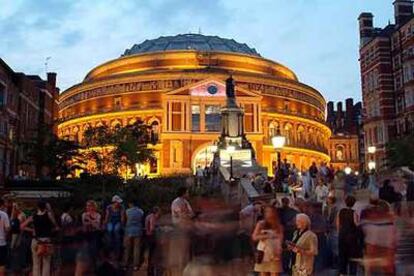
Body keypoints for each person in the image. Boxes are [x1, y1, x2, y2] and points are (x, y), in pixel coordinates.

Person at [21, 201, 58, 276]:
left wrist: (32, 230)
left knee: (36, 264)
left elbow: (22, 226)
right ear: (45, 207)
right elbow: (56, 226)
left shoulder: (33, 216)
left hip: (36, 241)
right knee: (46, 263)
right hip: (46, 241)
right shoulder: (49, 215)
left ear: (37, 207)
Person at [252, 205, 283, 276]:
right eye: (267, 211)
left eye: (271, 211)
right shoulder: (261, 224)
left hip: (274, 254)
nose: (269, 213)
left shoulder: (278, 225)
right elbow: (254, 237)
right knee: (263, 273)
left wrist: (278, 250)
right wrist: (267, 236)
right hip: (263, 253)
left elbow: (280, 239)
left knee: (275, 273)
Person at [337, 196, 362, 276]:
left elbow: (338, 224)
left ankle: (342, 273)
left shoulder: (340, 212)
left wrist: (340, 233)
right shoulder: (354, 213)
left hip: (342, 236)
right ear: (354, 203)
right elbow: (356, 224)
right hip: (351, 238)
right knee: (352, 259)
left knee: (342, 258)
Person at [76, 200, 102, 275]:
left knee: (94, 250)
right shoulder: (84, 214)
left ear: (93, 207)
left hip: (95, 234)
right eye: (87, 206)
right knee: (86, 252)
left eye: (89, 206)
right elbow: (85, 224)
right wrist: (92, 223)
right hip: (87, 234)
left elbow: (97, 226)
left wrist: (90, 221)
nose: (88, 207)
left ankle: (95, 268)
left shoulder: (98, 215)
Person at [122, 200, 144, 271]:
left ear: (131, 204)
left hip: (128, 231)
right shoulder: (141, 211)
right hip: (138, 231)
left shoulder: (127, 211)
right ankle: (136, 265)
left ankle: (125, 265)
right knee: (136, 249)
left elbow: (124, 220)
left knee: (127, 249)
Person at [145, 206, 161, 276]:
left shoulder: (148, 216)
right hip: (152, 237)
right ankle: (151, 272)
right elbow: (152, 228)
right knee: (153, 255)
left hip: (148, 236)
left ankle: (150, 271)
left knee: (150, 255)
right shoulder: (153, 217)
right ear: (156, 212)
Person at [0, 199, 10, 276]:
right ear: (2, 205)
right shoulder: (4, 214)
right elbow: (7, 229)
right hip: (1, 242)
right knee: (1, 263)